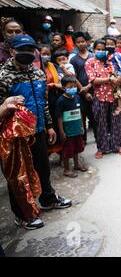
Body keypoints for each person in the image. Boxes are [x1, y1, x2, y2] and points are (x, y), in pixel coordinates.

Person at [0, 35, 72, 226]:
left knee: (43, 168)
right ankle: (23, 214)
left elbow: (44, 103)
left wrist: (49, 126)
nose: (27, 54)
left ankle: (48, 199)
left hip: (38, 130)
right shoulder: (3, 76)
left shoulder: (38, 73)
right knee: (18, 176)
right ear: (12, 51)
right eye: (22, 49)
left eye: (31, 50)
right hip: (15, 136)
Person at [0, 95, 45, 230]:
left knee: (25, 173)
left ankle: (30, 212)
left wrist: (5, 107)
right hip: (7, 138)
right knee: (16, 178)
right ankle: (23, 215)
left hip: (14, 136)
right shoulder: (5, 77)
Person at [85, 39, 121, 159]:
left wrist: (119, 79)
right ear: (94, 50)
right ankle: (101, 148)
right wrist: (109, 80)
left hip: (114, 96)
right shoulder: (90, 62)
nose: (101, 51)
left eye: (103, 49)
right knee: (100, 123)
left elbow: (119, 74)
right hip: (99, 97)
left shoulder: (110, 62)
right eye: (98, 49)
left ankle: (117, 146)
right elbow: (93, 80)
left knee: (116, 122)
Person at [56, 76, 87, 178]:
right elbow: (59, 117)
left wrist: (82, 126)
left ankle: (76, 164)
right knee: (67, 150)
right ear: (64, 87)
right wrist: (61, 132)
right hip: (68, 131)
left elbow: (80, 113)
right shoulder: (61, 101)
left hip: (77, 128)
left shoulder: (77, 98)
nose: (73, 88)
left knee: (77, 148)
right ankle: (66, 169)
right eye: (70, 86)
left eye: (75, 86)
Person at [70, 31, 95, 143]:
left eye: (82, 41)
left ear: (87, 42)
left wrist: (89, 86)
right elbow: (73, 77)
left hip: (94, 89)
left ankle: (98, 138)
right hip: (80, 93)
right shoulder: (73, 59)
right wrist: (83, 90)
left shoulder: (93, 56)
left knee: (94, 115)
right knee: (82, 116)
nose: (81, 44)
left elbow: (97, 74)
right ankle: (83, 140)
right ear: (75, 44)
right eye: (78, 42)